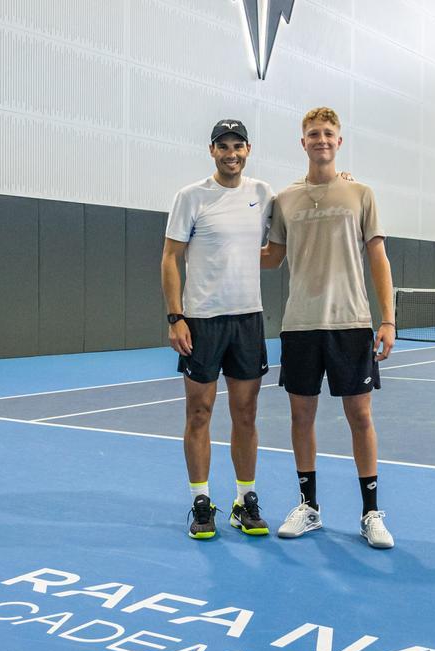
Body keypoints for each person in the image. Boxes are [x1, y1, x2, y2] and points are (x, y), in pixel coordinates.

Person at [260, 107, 397, 549]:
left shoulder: (361, 194)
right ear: (303, 143)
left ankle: (371, 512)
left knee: (360, 416)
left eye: (328, 134)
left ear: (339, 142)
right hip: (300, 325)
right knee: (302, 416)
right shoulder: (284, 200)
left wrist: (388, 319)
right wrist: (216, 243)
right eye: (313, 134)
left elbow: (378, 257)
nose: (321, 140)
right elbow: (271, 257)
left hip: (351, 323)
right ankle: (309, 507)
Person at [161, 119, 273, 540]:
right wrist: (176, 316)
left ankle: (245, 501)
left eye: (238, 145)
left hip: (248, 318)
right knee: (200, 413)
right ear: (212, 151)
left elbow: (290, 226)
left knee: (246, 413)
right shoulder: (191, 197)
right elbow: (170, 257)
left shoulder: (263, 195)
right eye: (223, 146)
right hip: (202, 322)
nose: (231, 153)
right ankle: (201, 501)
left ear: (248, 150)